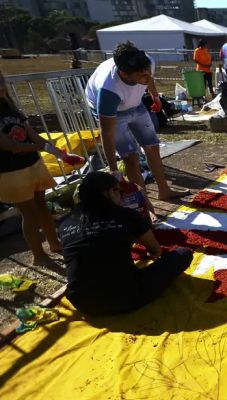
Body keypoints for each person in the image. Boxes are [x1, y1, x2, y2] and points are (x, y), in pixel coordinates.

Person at [59, 172, 193, 315]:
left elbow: (86, 250)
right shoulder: (126, 215)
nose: (121, 196)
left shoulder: (64, 222)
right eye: (119, 191)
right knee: (183, 254)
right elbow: (155, 250)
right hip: (127, 297)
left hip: (84, 304)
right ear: (109, 192)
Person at [85, 42, 188, 200]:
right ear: (124, 74)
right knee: (130, 157)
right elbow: (107, 133)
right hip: (114, 112)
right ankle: (144, 203)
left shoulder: (145, 62)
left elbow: (150, 78)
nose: (147, 76)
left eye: (148, 71)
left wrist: (155, 96)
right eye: (142, 75)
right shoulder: (108, 91)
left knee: (152, 147)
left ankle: (164, 190)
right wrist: (114, 170)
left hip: (135, 104)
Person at [0, 71, 65, 267]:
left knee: (42, 204)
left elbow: (31, 134)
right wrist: (41, 147)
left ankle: (54, 243)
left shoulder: (10, 107)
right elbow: (8, 145)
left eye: (1, 81)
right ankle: (39, 255)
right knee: (28, 213)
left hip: (33, 164)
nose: (1, 87)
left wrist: (55, 151)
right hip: (11, 172)